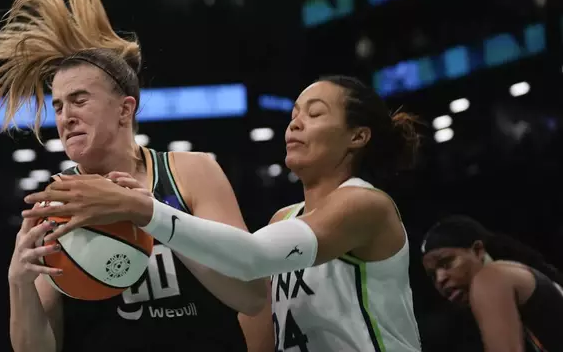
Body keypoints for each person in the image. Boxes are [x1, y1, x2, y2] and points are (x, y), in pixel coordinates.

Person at [0, 0, 267, 351]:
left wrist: (154, 216)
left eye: (79, 100)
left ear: (125, 110)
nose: (66, 117)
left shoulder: (190, 172)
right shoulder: (59, 202)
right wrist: (18, 282)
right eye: (57, 106)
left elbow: (253, 295)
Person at [25, 75, 425, 351]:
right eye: (293, 114)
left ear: (358, 136)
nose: (295, 123)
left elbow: (251, 257)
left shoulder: (365, 204)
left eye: (315, 113)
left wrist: (143, 208)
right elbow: (257, 312)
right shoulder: (283, 220)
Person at [421, 215, 563, 352]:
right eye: (432, 275)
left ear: (478, 250)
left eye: (447, 263)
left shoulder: (490, 277)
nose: (440, 279)